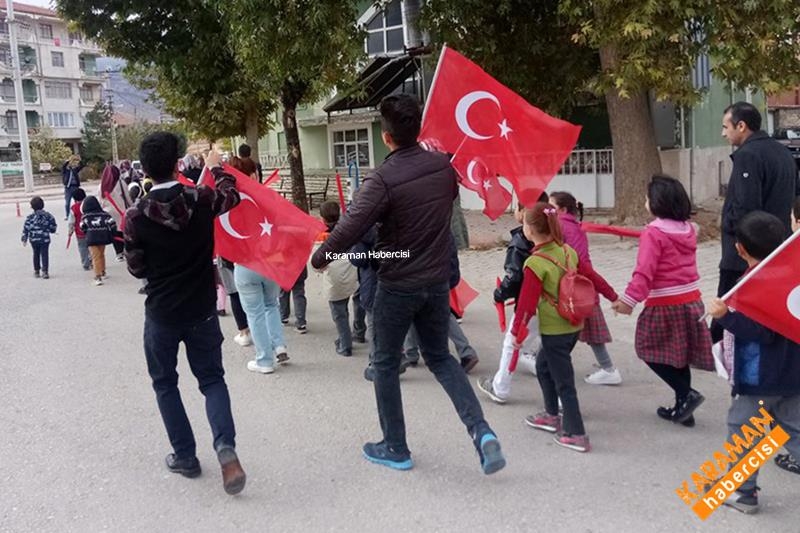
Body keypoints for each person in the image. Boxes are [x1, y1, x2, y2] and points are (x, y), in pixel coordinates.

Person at [311, 94, 505, 475]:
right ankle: (481, 431)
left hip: (397, 283)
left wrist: (320, 258)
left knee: (385, 363)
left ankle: (395, 446)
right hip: (435, 281)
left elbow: (350, 226)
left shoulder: (382, 179)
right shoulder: (443, 167)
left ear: (386, 137)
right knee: (441, 358)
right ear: (417, 129)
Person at [123, 133, 246, 495]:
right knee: (212, 380)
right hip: (203, 308)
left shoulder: (135, 216)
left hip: (162, 313)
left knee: (165, 384)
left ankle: (185, 456)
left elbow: (136, 268)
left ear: (145, 170)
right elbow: (232, 194)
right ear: (178, 163)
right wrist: (216, 168)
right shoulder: (202, 198)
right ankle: (226, 448)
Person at [706, 211, 800, 514]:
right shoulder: (792, 274)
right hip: (792, 374)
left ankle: (743, 493)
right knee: (794, 429)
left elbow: (763, 332)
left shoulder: (753, 286)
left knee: (743, 430)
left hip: (759, 378)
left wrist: (725, 316)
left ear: (740, 248)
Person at [512, 203, 617, 453]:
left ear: (530, 230)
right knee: (543, 366)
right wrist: (613, 296)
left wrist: (517, 334)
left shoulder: (535, 263)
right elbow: (592, 276)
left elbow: (526, 305)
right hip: (573, 326)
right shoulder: (567, 251)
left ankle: (576, 433)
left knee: (564, 383)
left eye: (524, 223)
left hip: (555, 331)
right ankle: (551, 415)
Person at [612, 175, 713, 426]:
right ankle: (684, 409)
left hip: (665, 304)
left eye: (647, 198)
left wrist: (628, 301)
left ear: (658, 202)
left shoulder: (653, 232)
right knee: (680, 356)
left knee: (646, 349)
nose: (645, 202)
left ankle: (687, 394)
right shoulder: (689, 229)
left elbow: (644, 272)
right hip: (692, 301)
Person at [713, 102, 797, 343]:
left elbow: (745, 206)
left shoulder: (748, 156)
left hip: (747, 251)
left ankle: (716, 349)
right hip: (777, 247)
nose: (723, 133)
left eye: (726, 127)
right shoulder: (782, 151)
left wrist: (732, 228)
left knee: (727, 306)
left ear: (741, 126)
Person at [549, 191, 622, 385]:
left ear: (562, 209)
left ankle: (608, 369)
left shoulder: (561, 226)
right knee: (589, 333)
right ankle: (607, 368)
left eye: (552, 207)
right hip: (583, 287)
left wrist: (611, 294)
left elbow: (577, 262)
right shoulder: (574, 226)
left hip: (573, 289)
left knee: (558, 332)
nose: (548, 211)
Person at [477, 200, 545, 404]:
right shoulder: (559, 242)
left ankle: (500, 388)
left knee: (512, 344)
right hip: (554, 307)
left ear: (525, 215)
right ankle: (561, 400)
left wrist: (500, 294)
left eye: (517, 208)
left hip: (530, 307)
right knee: (549, 350)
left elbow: (514, 278)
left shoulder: (520, 244)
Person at [319, 200, 359, 357]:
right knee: (348, 307)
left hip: (334, 280)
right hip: (351, 275)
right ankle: (354, 333)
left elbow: (318, 262)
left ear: (322, 218)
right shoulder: (347, 230)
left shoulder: (324, 237)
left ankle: (345, 345)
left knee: (339, 313)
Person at [80, 195, 116, 286]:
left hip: (91, 238)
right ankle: (103, 271)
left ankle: (97, 276)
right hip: (103, 237)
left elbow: (82, 227)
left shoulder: (85, 217)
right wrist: (112, 233)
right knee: (101, 254)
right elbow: (112, 223)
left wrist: (87, 232)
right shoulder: (104, 214)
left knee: (95, 257)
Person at [99, 163, 132, 262]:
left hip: (109, 214)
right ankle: (126, 251)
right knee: (124, 232)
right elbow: (127, 197)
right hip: (121, 212)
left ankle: (119, 253)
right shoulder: (121, 183)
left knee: (115, 234)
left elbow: (100, 201)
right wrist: (132, 206)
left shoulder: (101, 186)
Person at [216, 257, 251, 347]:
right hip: (247, 258)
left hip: (226, 260)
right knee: (252, 293)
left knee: (234, 294)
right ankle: (260, 330)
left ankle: (244, 332)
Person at [21, 196, 57, 279]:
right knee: (45, 254)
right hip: (45, 239)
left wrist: (24, 238)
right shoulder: (48, 216)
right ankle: (45, 271)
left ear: (32, 207)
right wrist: (51, 230)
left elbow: (26, 228)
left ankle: (36, 270)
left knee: (35, 253)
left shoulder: (30, 217)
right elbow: (53, 227)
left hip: (34, 239)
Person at [67, 188, 92, 271]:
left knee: (82, 247)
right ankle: (93, 260)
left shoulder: (74, 208)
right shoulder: (89, 205)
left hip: (80, 232)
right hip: (91, 230)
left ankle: (86, 263)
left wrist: (70, 231)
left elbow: (71, 221)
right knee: (92, 246)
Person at [279, 267, 308, 334]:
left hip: (284, 270)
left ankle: (283, 317)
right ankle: (301, 323)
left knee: (283, 294)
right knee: (299, 296)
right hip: (299, 270)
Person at [61, 155, 83, 220]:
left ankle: (78, 213)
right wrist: (68, 161)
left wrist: (79, 160)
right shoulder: (65, 171)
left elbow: (81, 166)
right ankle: (67, 215)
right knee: (67, 203)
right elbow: (63, 166)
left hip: (75, 187)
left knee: (78, 202)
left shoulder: (74, 170)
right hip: (68, 188)